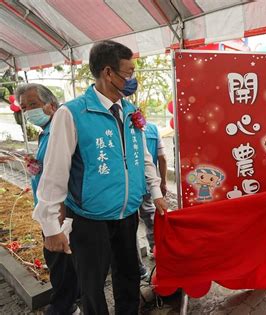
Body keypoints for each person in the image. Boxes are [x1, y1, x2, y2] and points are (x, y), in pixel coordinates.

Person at [33, 40, 167, 315]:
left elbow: (142, 157)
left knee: (128, 275)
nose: (133, 80)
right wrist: (50, 227)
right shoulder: (71, 113)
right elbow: (55, 170)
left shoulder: (131, 111)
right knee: (91, 284)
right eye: (128, 73)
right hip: (89, 218)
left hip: (127, 213)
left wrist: (157, 194)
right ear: (108, 73)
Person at [16, 83, 80, 315]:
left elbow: (65, 173)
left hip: (60, 210)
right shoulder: (46, 131)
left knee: (58, 259)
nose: (27, 111)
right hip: (50, 208)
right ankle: (71, 298)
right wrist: (36, 164)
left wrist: (58, 213)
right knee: (61, 259)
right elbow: (51, 169)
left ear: (51, 105)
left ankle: (64, 306)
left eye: (33, 105)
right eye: (23, 108)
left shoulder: (60, 130)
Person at [137, 121, 167, 278]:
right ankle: (156, 251)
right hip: (149, 183)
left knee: (129, 226)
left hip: (129, 186)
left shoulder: (122, 127)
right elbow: (162, 158)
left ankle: (138, 267)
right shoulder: (154, 129)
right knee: (150, 217)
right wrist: (162, 182)